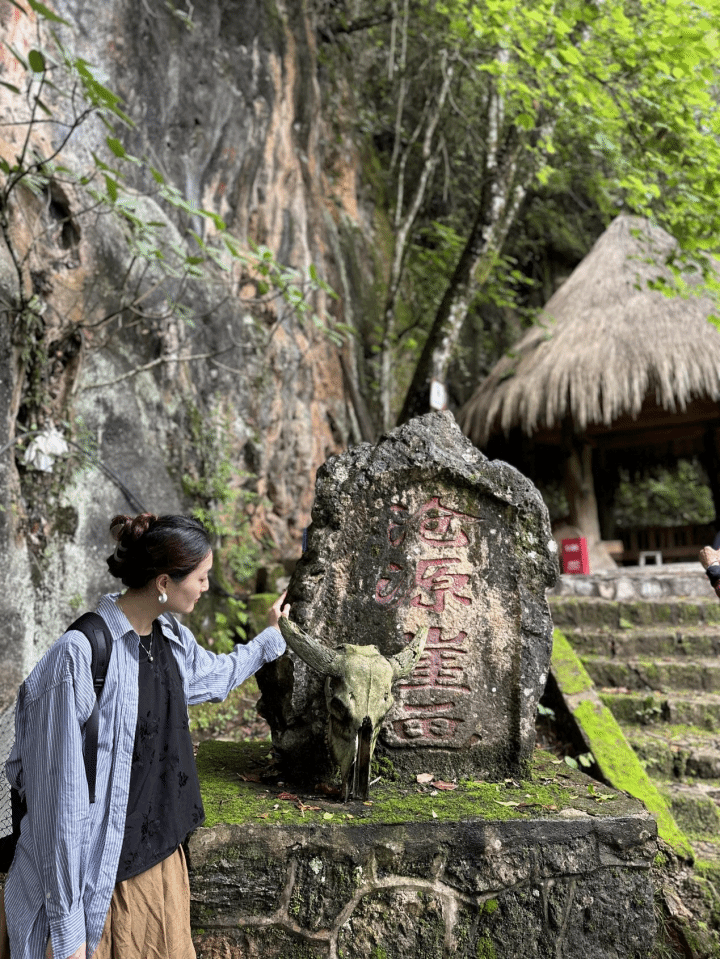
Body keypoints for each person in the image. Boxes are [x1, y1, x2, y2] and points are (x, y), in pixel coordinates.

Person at [3, 513, 288, 959]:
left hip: (157, 873)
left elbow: (214, 676)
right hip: (93, 889)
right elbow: (58, 809)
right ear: (164, 582)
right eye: (201, 577)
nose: (206, 587)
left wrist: (270, 638)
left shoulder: (167, 635)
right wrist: (68, 933)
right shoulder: (79, 658)